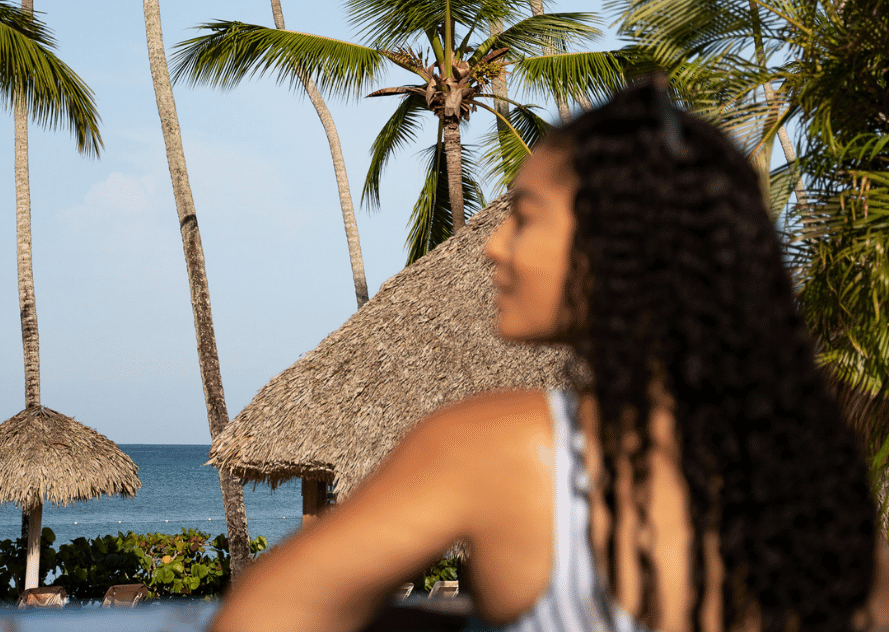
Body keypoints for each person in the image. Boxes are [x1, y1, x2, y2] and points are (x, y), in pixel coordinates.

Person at [211, 84, 889, 631]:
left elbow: (259, 617)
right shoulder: (811, 474)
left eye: (526, 216)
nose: (492, 247)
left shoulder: (503, 447)